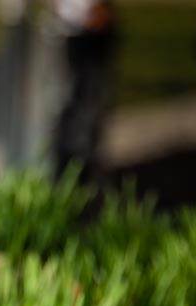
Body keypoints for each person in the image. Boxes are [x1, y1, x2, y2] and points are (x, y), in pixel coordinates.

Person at [51, 0, 117, 180]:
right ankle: (69, 169)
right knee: (72, 103)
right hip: (75, 30)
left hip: (88, 32)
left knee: (86, 104)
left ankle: (80, 170)